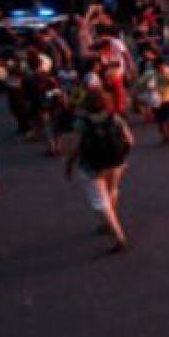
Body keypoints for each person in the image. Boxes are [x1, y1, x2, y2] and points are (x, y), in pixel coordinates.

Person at [64, 92, 134, 253]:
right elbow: (129, 140)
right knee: (112, 190)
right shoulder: (114, 118)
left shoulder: (82, 123)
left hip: (92, 166)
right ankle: (110, 220)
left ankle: (117, 235)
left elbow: (75, 147)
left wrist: (69, 165)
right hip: (115, 163)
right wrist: (122, 155)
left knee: (100, 201)